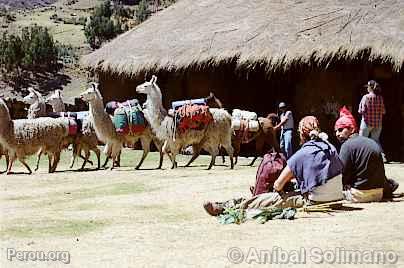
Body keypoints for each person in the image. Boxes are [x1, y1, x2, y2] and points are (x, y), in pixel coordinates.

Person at [203, 116, 343, 216]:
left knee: (264, 200)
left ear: (301, 134)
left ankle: (227, 207)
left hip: (316, 201)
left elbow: (277, 185)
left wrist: (278, 187)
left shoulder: (302, 154)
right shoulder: (330, 147)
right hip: (337, 198)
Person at [334, 107, 398, 202]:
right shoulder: (372, 142)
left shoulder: (346, 146)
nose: (337, 134)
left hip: (359, 195)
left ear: (351, 129)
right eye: (335, 131)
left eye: (340, 130)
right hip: (379, 194)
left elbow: (341, 174)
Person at [358, 80, 385, 149]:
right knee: (375, 142)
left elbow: (361, 111)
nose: (367, 88)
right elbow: (383, 111)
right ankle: (380, 157)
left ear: (371, 88)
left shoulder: (366, 97)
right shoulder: (380, 98)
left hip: (367, 123)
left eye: (368, 87)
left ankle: (362, 158)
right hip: (378, 124)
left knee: (362, 142)